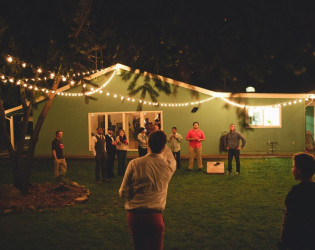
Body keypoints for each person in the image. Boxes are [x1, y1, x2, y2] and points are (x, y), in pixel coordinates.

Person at [119, 130, 176, 250]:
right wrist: (163, 146)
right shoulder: (169, 166)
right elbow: (170, 156)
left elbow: (123, 192)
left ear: (148, 144)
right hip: (155, 217)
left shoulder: (134, 164)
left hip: (135, 216)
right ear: (164, 146)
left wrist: (133, 193)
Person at [279, 152, 315, 249]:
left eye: (293, 167)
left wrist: (284, 243)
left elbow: (288, 222)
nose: (292, 170)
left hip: (297, 241)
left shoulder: (295, 194)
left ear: (299, 170)